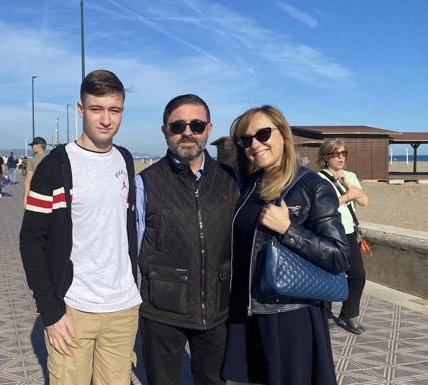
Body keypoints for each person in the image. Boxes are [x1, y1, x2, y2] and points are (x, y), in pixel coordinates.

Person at [19, 69, 141, 385]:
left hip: (123, 308)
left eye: (114, 110)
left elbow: (124, 227)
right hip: (73, 310)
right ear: (80, 109)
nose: (105, 119)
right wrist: (50, 311)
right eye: (96, 109)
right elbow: (31, 240)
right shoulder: (55, 166)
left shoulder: (125, 160)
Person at [221, 105, 350, 385]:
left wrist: (288, 229)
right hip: (247, 310)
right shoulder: (251, 185)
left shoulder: (313, 186)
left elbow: (340, 257)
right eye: (246, 140)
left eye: (263, 134)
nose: (255, 144)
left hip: (290, 315)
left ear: (284, 135)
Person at [136, 94, 239, 385]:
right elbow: (132, 247)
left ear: (208, 129)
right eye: (177, 125)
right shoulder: (145, 183)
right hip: (163, 311)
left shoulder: (229, 179)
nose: (187, 133)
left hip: (216, 309)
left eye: (196, 125)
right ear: (164, 130)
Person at [317, 138, 369, 335]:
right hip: (328, 230)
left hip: (348, 231)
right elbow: (322, 207)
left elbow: (364, 201)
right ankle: (326, 313)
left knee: (358, 274)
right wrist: (348, 196)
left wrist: (347, 183)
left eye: (343, 153)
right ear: (325, 157)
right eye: (336, 153)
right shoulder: (319, 179)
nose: (340, 157)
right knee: (329, 273)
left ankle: (349, 313)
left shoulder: (350, 176)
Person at [22, 137, 47, 207]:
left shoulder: (31, 161)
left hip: (36, 193)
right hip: (50, 193)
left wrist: (25, 198)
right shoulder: (51, 158)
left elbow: (28, 180)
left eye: (33, 145)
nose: (32, 148)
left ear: (38, 146)